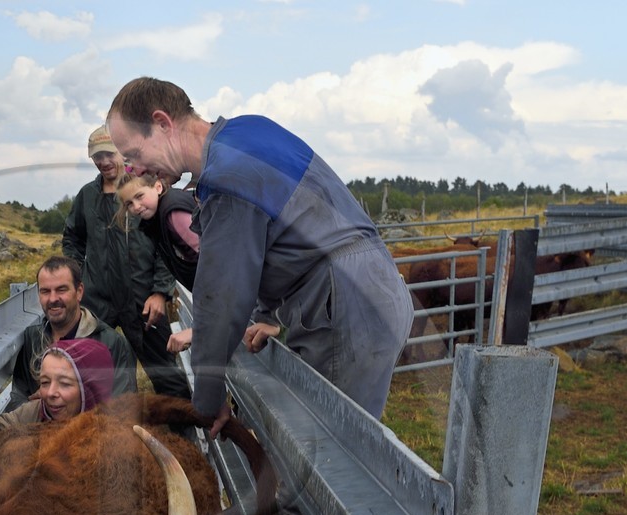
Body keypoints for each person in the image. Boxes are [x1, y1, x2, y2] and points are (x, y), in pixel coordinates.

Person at [106, 77, 414, 436]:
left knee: (329, 454)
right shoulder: (248, 131)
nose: (135, 171)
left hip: (343, 305)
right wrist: (267, 314)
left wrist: (207, 399)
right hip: (372, 286)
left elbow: (221, 297)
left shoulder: (226, 178)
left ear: (161, 123)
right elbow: (283, 230)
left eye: (133, 155)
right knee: (348, 441)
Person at [62, 126, 190, 400]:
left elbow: (166, 244)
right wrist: (76, 278)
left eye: (109, 153)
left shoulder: (141, 189)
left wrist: (160, 292)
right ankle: (108, 431)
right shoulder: (87, 196)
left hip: (143, 301)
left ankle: (185, 433)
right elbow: (73, 237)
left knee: (166, 375)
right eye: (97, 156)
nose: (104, 161)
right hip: (98, 303)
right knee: (95, 374)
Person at [0, 337, 115, 476]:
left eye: (65, 384)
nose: (50, 393)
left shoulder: (112, 440)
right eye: (45, 382)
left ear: (90, 390)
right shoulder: (34, 413)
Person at [10, 255, 136, 405]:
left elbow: (124, 410)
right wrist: (36, 409)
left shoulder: (112, 344)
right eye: (45, 291)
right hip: (40, 428)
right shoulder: (33, 340)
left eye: (61, 290)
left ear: (79, 291)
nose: (52, 299)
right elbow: (18, 400)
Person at [115, 169, 202, 356]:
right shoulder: (157, 219)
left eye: (139, 196)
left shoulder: (173, 214)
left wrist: (201, 329)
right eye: (129, 203)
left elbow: (212, 264)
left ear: (158, 186)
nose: (136, 207)